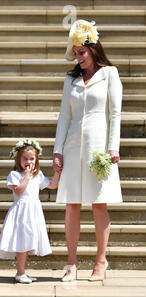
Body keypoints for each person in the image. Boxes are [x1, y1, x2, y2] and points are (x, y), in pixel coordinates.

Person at [53, 20, 123, 282]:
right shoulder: (70, 79)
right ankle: (71, 264)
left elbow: (115, 113)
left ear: (93, 49)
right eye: (75, 53)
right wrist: (57, 150)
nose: (77, 57)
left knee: (98, 204)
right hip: (72, 146)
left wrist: (112, 147)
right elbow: (64, 117)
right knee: (71, 205)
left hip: (98, 148)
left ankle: (100, 261)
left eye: (81, 52)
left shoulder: (110, 74)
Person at [0, 140, 60, 283]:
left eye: (32, 159)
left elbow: (52, 185)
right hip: (21, 212)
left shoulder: (38, 175)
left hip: (33, 211)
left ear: (36, 160)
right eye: (25, 158)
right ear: (19, 159)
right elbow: (19, 191)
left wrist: (57, 173)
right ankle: (20, 273)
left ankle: (23, 272)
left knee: (28, 241)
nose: (28, 161)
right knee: (22, 242)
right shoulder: (15, 174)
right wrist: (26, 176)